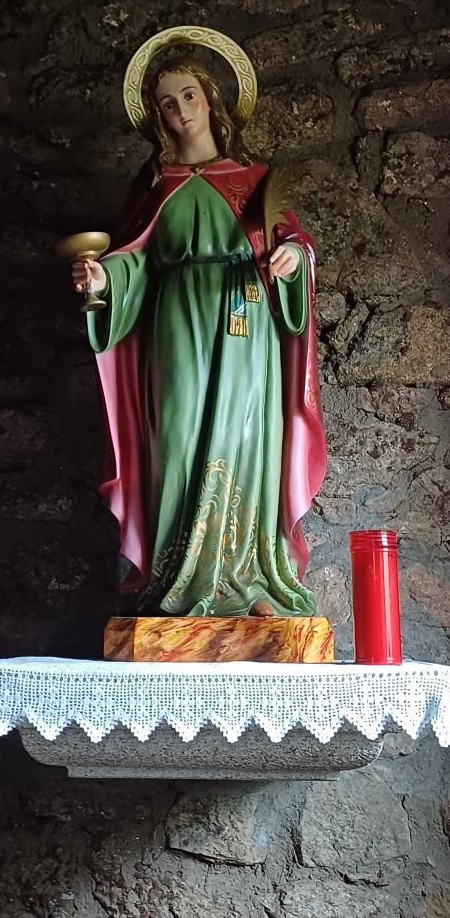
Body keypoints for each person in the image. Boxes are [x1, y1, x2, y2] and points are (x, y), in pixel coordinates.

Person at [71, 36, 327, 618]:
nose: (181, 110)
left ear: (211, 99)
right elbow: (134, 260)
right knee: (176, 436)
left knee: (245, 437)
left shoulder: (254, 180)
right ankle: (175, 582)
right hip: (174, 324)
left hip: (245, 322)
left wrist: (291, 260)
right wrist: (101, 278)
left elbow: (294, 243)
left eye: (189, 95)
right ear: (157, 117)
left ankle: (248, 578)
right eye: (167, 103)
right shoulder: (154, 188)